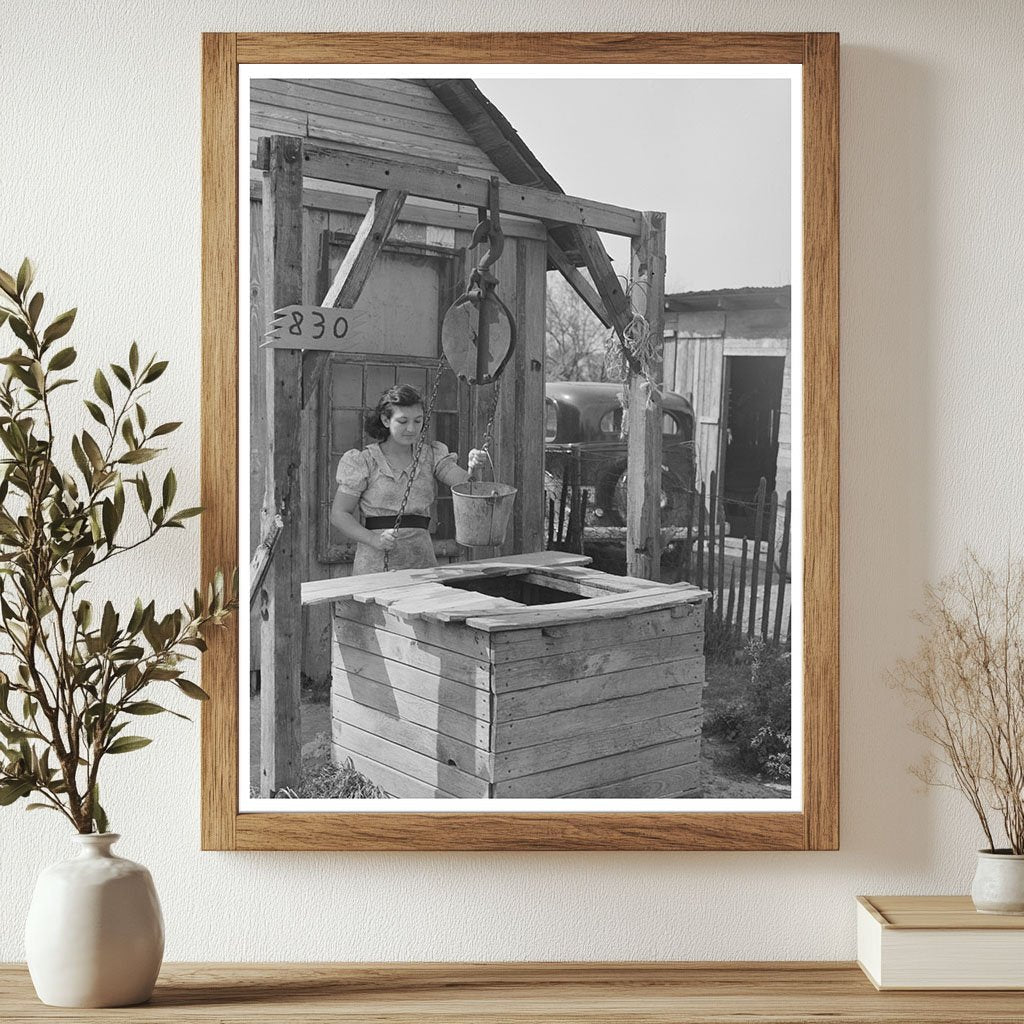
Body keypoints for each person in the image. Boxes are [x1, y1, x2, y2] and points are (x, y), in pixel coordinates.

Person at [331, 384, 487, 575]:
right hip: (375, 564)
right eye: (403, 421)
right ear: (386, 420)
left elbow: (467, 488)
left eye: (418, 421)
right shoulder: (363, 461)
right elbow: (339, 514)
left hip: (421, 561)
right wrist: (373, 539)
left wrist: (473, 466)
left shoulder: (432, 456)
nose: (411, 428)